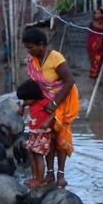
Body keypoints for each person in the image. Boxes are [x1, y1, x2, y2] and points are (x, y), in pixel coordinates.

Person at [23, 27, 80, 189]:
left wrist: (54, 103)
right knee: (47, 138)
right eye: (27, 48)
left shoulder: (56, 58)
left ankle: (60, 175)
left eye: (31, 47)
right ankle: (49, 173)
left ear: (41, 45)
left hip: (62, 101)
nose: (29, 51)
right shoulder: (32, 61)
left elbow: (69, 82)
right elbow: (34, 85)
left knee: (59, 138)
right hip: (44, 103)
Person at [17, 79, 53, 188]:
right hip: (34, 133)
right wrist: (22, 107)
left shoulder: (45, 103)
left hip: (43, 134)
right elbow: (26, 103)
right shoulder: (31, 102)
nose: (25, 102)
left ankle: (40, 180)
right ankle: (34, 177)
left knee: (38, 155)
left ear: (33, 96)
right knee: (30, 152)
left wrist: (47, 121)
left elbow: (55, 112)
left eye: (25, 99)